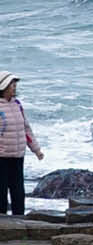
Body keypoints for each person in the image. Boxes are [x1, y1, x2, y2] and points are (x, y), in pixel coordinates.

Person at [0, 73, 45, 217]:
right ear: (3, 87)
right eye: (12, 85)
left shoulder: (17, 105)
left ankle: (20, 221)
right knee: (1, 192)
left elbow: (26, 129)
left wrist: (36, 150)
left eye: (15, 85)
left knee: (18, 191)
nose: (14, 88)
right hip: (2, 157)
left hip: (18, 156)